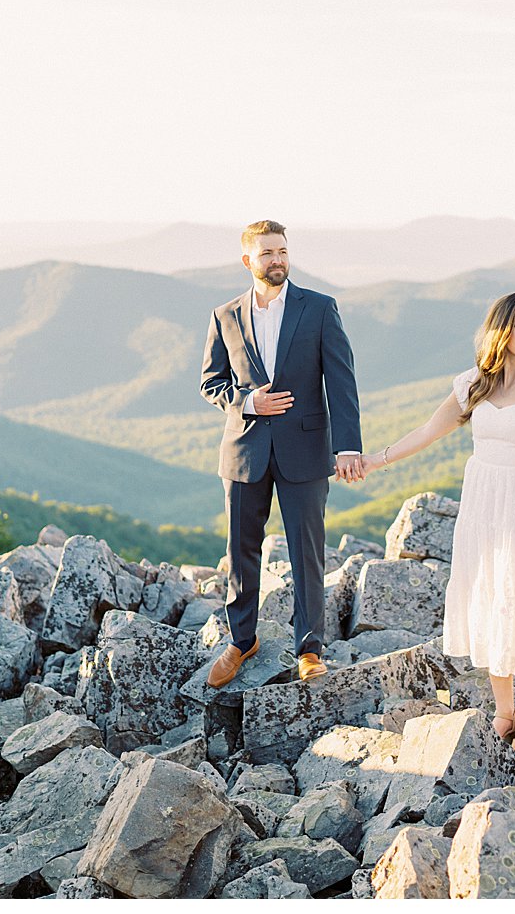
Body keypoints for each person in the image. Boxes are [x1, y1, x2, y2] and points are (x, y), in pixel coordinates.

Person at [359, 291, 515, 752]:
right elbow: (426, 432)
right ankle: (505, 712)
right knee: (493, 596)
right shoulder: (474, 384)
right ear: (501, 330)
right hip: (483, 504)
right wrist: (374, 460)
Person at [200, 220, 363, 684]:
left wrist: (347, 446)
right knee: (241, 549)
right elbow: (210, 382)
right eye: (268, 252)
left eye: (283, 251)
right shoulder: (224, 315)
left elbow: (342, 381)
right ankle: (241, 640)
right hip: (242, 452)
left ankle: (310, 649)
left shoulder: (320, 308)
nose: (278, 260)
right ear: (248, 260)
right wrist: (249, 402)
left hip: (307, 449)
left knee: (306, 552)